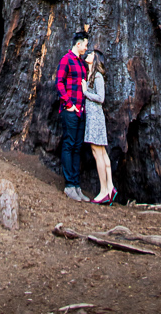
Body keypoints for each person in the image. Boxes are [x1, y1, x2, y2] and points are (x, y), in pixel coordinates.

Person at [55, 30, 89, 201]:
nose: (86, 48)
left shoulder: (82, 64)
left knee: (77, 146)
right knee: (68, 144)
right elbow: (59, 83)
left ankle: (76, 185)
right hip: (70, 110)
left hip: (81, 110)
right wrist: (69, 104)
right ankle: (69, 185)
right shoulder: (66, 60)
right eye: (85, 45)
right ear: (78, 44)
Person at [83, 49, 116, 204]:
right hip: (93, 117)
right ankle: (110, 188)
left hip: (96, 118)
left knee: (98, 153)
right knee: (101, 153)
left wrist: (85, 92)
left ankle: (103, 191)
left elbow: (101, 98)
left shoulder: (97, 76)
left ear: (95, 59)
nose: (87, 55)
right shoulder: (92, 76)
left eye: (90, 54)